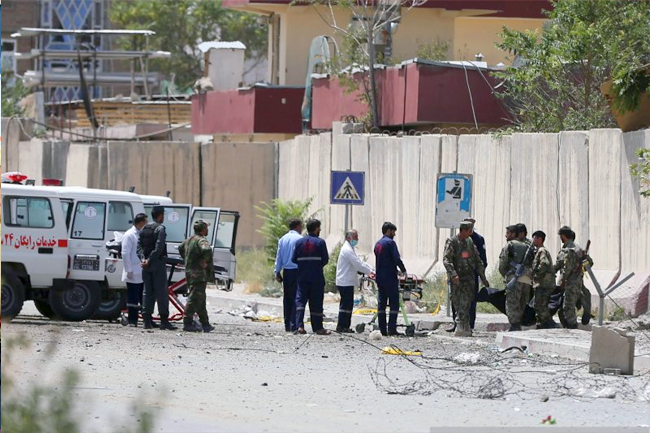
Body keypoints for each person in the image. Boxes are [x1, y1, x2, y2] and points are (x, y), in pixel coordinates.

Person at [443, 221, 489, 337]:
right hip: (457, 279)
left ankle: (464, 326)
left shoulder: (470, 242)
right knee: (458, 303)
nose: (471, 233)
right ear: (463, 230)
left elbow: (477, 260)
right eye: (469, 231)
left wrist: (483, 277)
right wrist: (453, 274)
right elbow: (447, 260)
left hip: (468, 278)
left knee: (467, 303)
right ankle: (460, 325)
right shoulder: (452, 242)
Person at [140, 206, 176, 330]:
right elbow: (159, 247)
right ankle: (164, 321)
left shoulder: (144, 228)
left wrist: (143, 259)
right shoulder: (160, 228)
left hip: (145, 265)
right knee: (161, 292)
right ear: (160, 215)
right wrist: (150, 260)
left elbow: (139, 246)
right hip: (157, 263)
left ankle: (147, 321)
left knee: (147, 292)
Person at [292, 219, 331, 335]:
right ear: (316, 228)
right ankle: (318, 327)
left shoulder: (299, 242)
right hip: (316, 277)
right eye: (319, 228)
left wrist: (304, 265)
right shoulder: (320, 242)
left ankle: (299, 326)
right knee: (316, 303)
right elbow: (325, 260)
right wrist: (315, 266)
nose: (320, 230)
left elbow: (293, 259)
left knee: (300, 301)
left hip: (302, 277)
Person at [179, 220, 216, 333]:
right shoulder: (201, 240)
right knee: (194, 298)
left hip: (190, 273)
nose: (207, 230)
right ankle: (187, 322)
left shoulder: (188, 240)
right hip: (199, 275)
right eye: (206, 228)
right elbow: (207, 249)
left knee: (200, 299)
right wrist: (206, 261)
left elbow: (180, 248)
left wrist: (188, 260)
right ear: (203, 229)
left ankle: (205, 323)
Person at [335, 229, 374, 333]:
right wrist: (369, 272)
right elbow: (357, 264)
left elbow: (360, 262)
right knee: (346, 305)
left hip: (346, 281)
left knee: (347, 305)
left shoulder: (350, 249)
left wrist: (372, 270)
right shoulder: (347, 250)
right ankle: (342, 326)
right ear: (349, 237)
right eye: (355, 237)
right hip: (345, 281)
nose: (357, 239)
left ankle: (344, 326)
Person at [554, 226, 593, 329]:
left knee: (568, 307)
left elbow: (567, 268)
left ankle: (573, 326)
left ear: (563, 236)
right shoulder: (577, 249)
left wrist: (562, 281)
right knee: (564, 307)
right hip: (577, 281)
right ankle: (573, 322)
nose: (560, 238)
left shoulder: (570, 250)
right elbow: (590, 263)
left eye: (561, 236)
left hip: (570, 282)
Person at [373, 222, 407, 336]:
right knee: (394, 304)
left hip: (380, 277)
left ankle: (382, 329)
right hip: (390, 278)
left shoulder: (378, 244)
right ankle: (392, 328)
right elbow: (396, 259)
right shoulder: (390, 243)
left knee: (381, 304)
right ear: (388, 231)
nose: (394, 234)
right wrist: (403, 270)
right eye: (393, 232)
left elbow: (384, 261)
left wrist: (395, 270)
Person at [498, 224, 532, 331]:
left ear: (513, 234)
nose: (506, 235)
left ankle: (515, 325)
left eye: (508, 233)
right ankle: (519, 323)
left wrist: (506, 275)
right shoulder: (527, 246)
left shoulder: (510, 245)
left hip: (514, 276)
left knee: (512, 302)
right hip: (526, 278)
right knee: (522, 302)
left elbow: (503, 264)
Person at [274, 218, 303, 332]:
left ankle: (287, 324)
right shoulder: (300, 239)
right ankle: (294, 324)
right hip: (298, 270)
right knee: (297, 297)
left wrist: (277, 272)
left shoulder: (283, 239)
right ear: (297, 226)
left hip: (286, 271)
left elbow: (279, 257)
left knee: (287, 298)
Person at [121, 213, 148, 327]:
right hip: (132, 270)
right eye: (145, 222)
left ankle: (146, 319)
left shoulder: (140, 233)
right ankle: (132, 320)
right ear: (141, 222)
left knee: (142, 296)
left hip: (140, 270)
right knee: (133, 297)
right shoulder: (129, 234)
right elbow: (125, 253)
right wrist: (129, 270)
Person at [531, 230, 557, 329]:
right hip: (544, 283)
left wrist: (536, 274)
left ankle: (550, 324)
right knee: (540, 305)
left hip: (543, 284)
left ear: (539, 239)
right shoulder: (539, 250)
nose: (533, 240)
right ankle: (542, 325)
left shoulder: (542, 251)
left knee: (540, 306)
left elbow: (544, 264)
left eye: (534, 238)